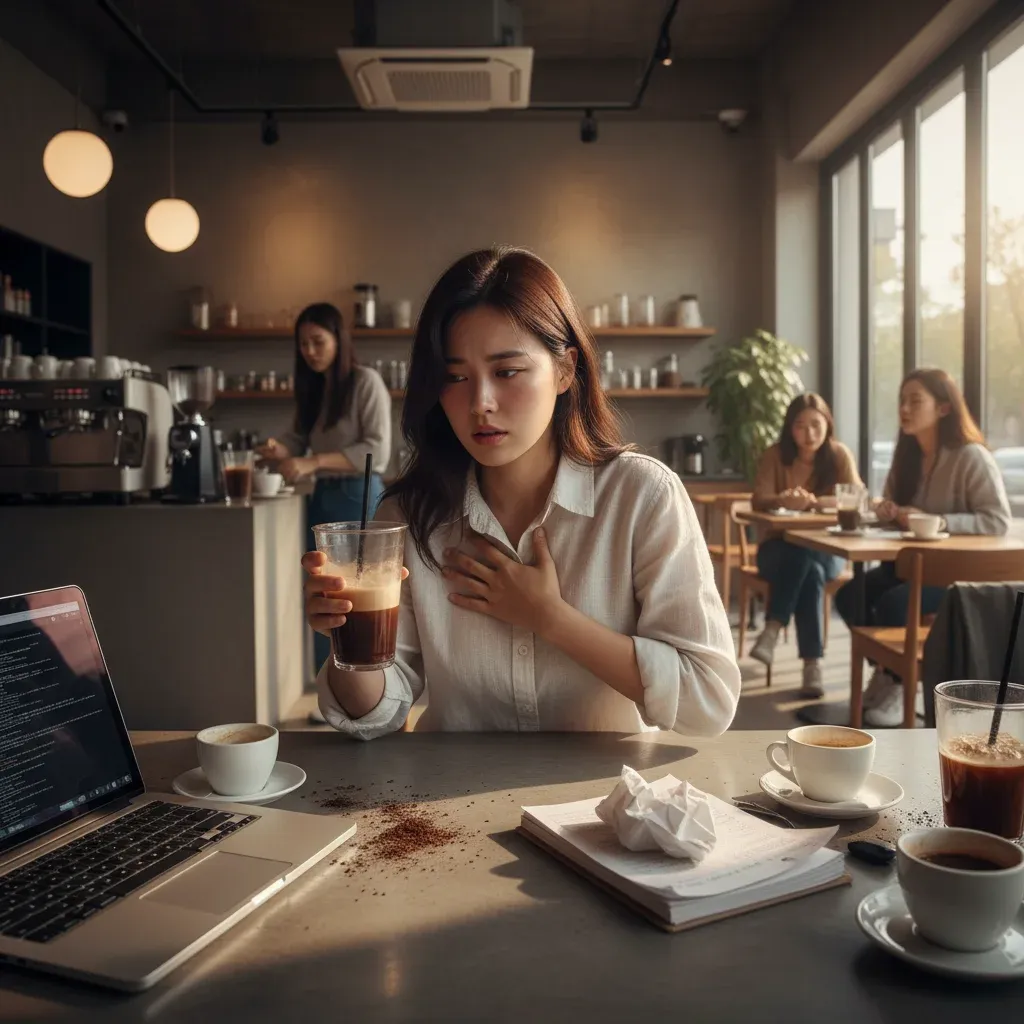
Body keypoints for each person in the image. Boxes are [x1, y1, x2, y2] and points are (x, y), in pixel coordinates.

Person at [301, 247, 740, 738]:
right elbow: (379, 715)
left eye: (506, 371)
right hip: (453, 785)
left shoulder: (642, 497)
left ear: (566, 370)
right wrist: (347, 639)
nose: (480, 403)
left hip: (609, 786)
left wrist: (551, 619)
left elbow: (707, 702)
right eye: (454, 377)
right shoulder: (408, 514)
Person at [835, 367, 1012, 726]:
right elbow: (898, 514)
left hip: (957, 575)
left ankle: (900, 681)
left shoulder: (971, 457)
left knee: (893, 604)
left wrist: (938, 521)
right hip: (910, 565)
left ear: (943, 408)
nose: (904, 408)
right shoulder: (907, 456)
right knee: (850, 596)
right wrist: (888, 512)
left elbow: (996, 520)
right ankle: (889, 672)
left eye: (915, 401)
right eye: (902, 400)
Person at [258, 302, 391, 670]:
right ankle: (329, 679)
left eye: (318, 341)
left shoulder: (365, 382)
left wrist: (313, 461)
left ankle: (366, 675)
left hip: (358, 493)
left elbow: (377, 450)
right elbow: (296, 439)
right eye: (303, 344)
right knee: (322, 594)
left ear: (338, 340)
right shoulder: (315, 388)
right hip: (323, 498)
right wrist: (278, 449)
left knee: (358, 594)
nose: (310, 351)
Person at [748, 393, 862, 698]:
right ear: (790, 428)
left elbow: (857, 497)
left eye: (816, 425)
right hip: (777, 549)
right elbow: (759, 498)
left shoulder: (839, 456)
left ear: (827, 425)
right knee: (806, 566)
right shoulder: (775, 455)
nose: (809, 433)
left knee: (810, 563)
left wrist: (816, 503)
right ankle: (812, 666)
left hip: (828, 549)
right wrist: (783, 499)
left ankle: (773, 628)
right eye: (800, 425)